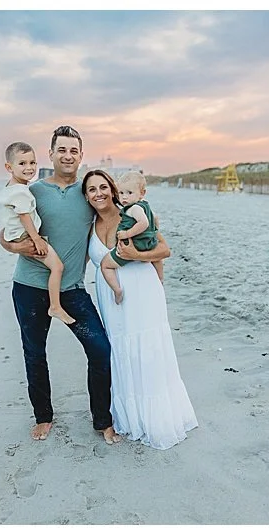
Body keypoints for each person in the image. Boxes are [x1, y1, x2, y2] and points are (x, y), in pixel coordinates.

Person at [0, 125, 170, 444]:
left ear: (81, 155)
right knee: (34, 353)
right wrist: (10, 246)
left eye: (73, 150)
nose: (67, 155)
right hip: (29, 287)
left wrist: (147, 232)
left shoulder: (86, 194)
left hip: (73, 291)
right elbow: (6, 229)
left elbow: (121, 214)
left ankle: (102, 420)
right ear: (50, 154)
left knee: (101, 350)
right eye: (61, 149)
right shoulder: (33, 192)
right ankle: (43, 416)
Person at [85, 169, 198, 449]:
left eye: (103, 187)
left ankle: (155, 419)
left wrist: (137, 255)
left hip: (142, 290)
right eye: (91, 189)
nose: (98, 193)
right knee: (120, 352)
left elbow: (165, 250)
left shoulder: (134, 215)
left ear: (113, 189)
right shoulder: (87, 225)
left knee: (147, 350)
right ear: (86, 196)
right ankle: (128, 416)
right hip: (111, 298)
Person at [0, 141, 76, 325]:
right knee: (57, 267)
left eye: (32, 163)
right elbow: (25, 217)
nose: (29, 168)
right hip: (26, 237)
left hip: (18, 234)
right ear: (9, 167)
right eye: (22, 163)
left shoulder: (12, 188)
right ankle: (55, 306)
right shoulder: (21, 193)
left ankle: (54, 305)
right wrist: (37, 239)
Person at [98, 170, 164, 304]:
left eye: (129, 193)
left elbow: (143, 223)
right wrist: (154, 230)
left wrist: (127, 234)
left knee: (105, 265)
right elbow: (154, 219)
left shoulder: (133, 209)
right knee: (157, 259)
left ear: (142, 193)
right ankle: (160, 280)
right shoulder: (146, 206)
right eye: (121, 193)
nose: (124, 197)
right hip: (149, 242)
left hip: (134, 244)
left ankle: (117, 290)